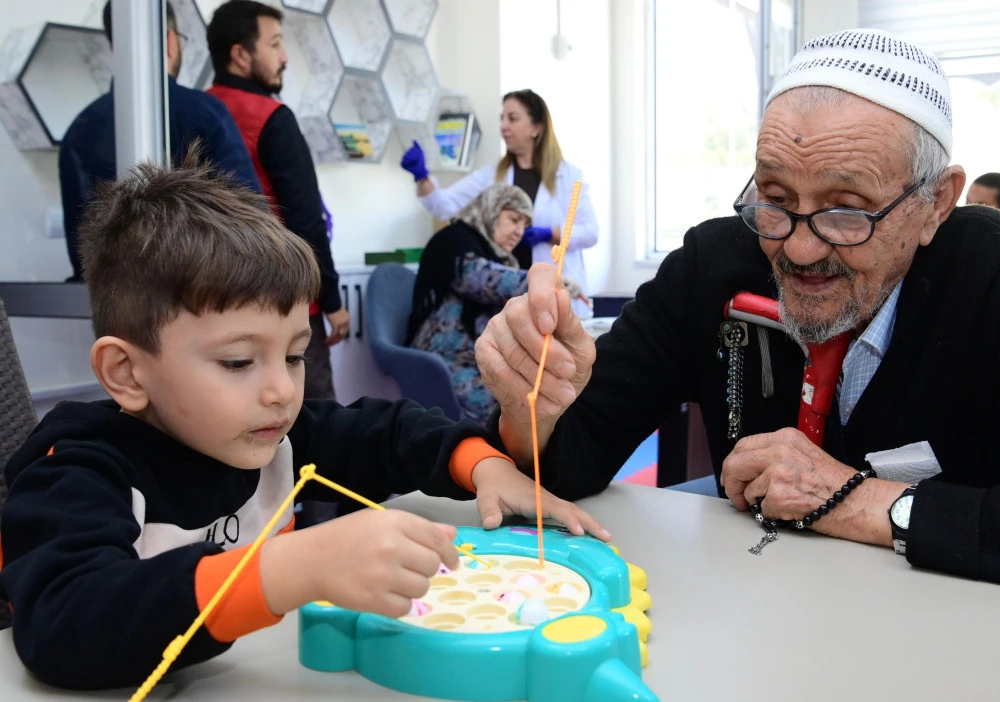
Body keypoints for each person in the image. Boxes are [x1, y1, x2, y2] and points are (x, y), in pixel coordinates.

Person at [475, 29, 1000, 606]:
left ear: (936, 204)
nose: (798, 247)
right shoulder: (714, 264)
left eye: (847, 209)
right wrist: (530, 406)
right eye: (774, 197)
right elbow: (566, 467)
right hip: (760, 626)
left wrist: (860, 502)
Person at [0, 153, 606, 690]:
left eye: (293, 356)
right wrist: (291, 568)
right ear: (127, 374)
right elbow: (63, 621)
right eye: (238, 362)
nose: (282, 390)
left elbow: (390, 433)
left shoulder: (276, 435)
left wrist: (484, 465)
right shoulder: (75, 475)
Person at [205, 0, 350, 403]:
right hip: (286, 303)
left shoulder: (198, 112)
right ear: (240, 54)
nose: (284, 57)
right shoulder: (272, 118)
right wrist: (333, 301)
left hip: (217, 305)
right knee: (314, 418)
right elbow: (305, 221)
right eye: (274, 44)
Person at [58, 0, 260, 282]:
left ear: (115, 47)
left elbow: (81, 253)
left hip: (113, 302)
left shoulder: (78, 132)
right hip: (204, 294)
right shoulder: (205, 113)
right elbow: (252, 223)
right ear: (170, 42)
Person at [400, 89, 599, 318]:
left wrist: (549, 234)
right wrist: (422, 176)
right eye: (502, 119)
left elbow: (591, 232)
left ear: (537, 127)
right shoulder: (492, 175)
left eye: (512, 118)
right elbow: (444, 206)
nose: (504, 126)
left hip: (555, 289)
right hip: (507, 293)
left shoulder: (569, 176)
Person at [408, 184, 584, 424]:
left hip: (477, 356)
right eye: (514, 220)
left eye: (525, 225)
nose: (519, 232)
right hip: (444, 359)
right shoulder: (453, 240)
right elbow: (483, 279)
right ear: (491, 210)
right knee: (520, 403)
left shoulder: (493, 252)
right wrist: (547, 281)